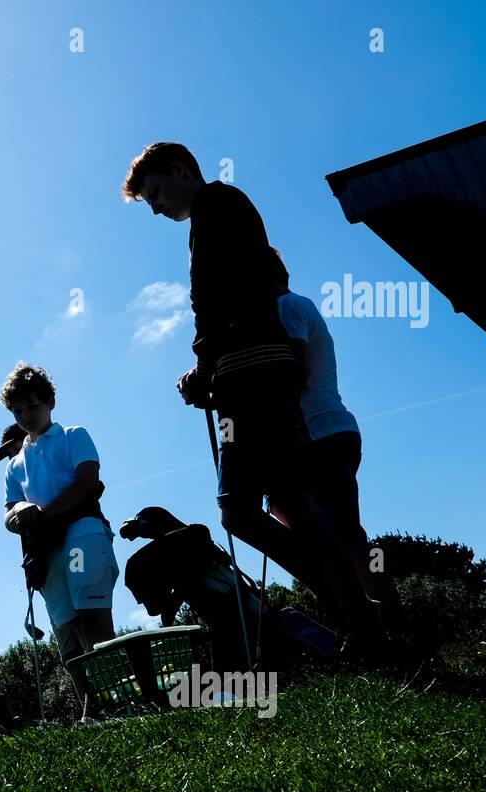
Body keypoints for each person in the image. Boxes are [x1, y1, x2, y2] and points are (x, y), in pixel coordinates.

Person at [121, 143, 382, 643]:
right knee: (287, 496)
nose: (154, 206)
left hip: (251, 373)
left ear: (180, 169)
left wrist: (205, 366)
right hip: (257, 371)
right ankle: (356, 613)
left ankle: (349, 605)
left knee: (239, 510)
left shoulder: (215, 205)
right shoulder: (224, 209)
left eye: (154, 192)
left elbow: (213, 301)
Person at [267, 249, 403, 641]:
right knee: (338, 534)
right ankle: (376, 623)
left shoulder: (285, 306)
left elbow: (294, 370)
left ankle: (386, 625)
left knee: (344, 535)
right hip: (327, 429)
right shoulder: (294, 305)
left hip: (316, 432)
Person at [0, 362, 118, 721]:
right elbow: (9, 513)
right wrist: (21, 509)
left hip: (82, 533)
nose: (26, 416)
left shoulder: (74, 434)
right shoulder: (14, 464)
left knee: (95, 623)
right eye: (18, 411)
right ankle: (91, 713)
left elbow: (86, 484)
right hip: (46, 551)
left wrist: (42, 514)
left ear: (51, 401)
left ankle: (118, 706)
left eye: (32, 407)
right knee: (67, 632)